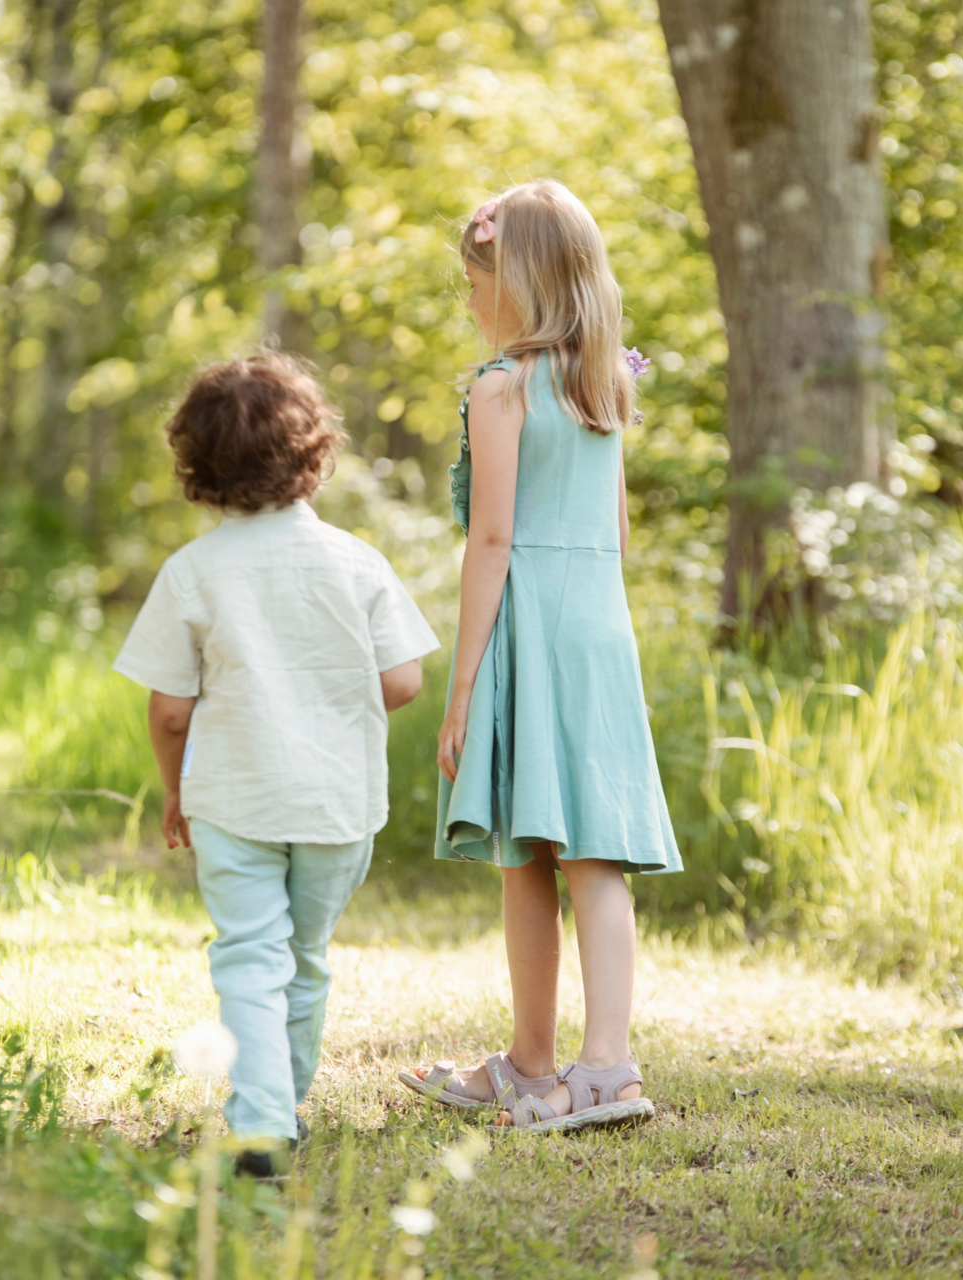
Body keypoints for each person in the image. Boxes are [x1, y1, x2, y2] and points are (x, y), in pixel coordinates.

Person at [399, 181, 682, 1133]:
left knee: (527, 853)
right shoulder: (605, 383)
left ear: (515, 280)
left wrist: (464, 686)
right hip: (599, 627)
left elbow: (491, 543)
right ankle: (601, 1071)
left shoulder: (502, 386)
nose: (470, 299)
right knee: (593, 855)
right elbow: (615, 530)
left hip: (528, 627)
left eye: (475, 278)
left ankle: (532, 1065)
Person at [114, 353, 439, 1177]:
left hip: (232, 796)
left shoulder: (191, 572)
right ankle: (281, 1102)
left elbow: (170, 710)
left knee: (249, 955)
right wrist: (331, 705)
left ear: (196, 466)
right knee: (306, 955)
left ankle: (261, 1122)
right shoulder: (357, 562)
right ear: (314, 453)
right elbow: (403, 680)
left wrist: (175, 791)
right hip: (337, 801)